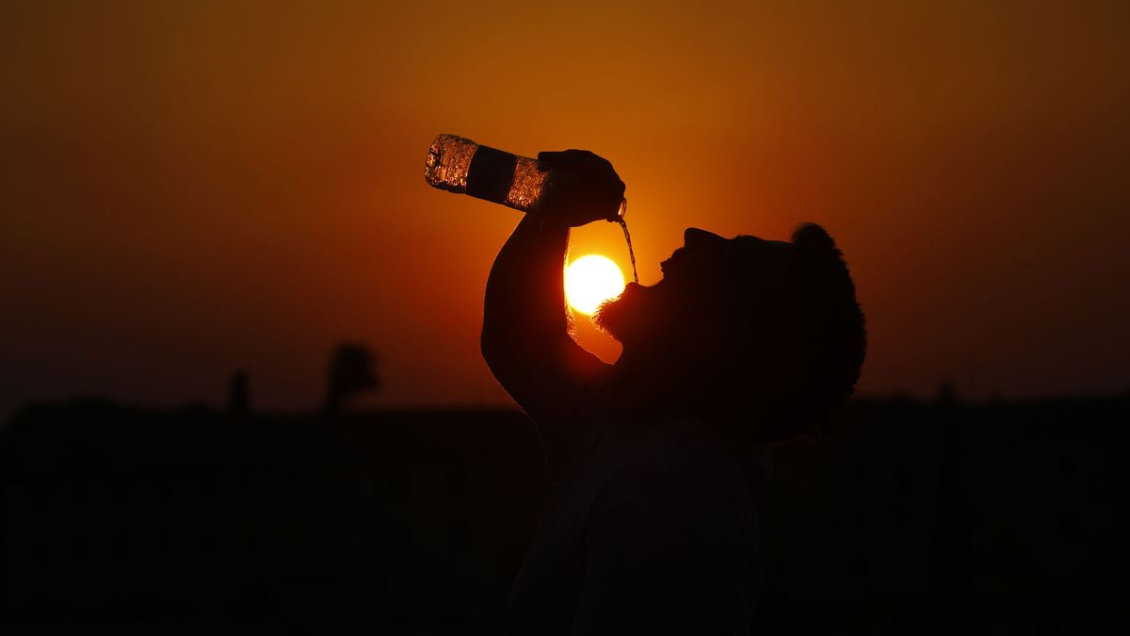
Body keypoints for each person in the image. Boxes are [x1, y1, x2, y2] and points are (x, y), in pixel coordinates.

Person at [482, 150, 866, 635]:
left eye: (726, 258)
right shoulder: (628, 425)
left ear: (723, 339)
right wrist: (550, 209)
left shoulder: (671, 517)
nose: (694, 236)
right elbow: (521, 342)